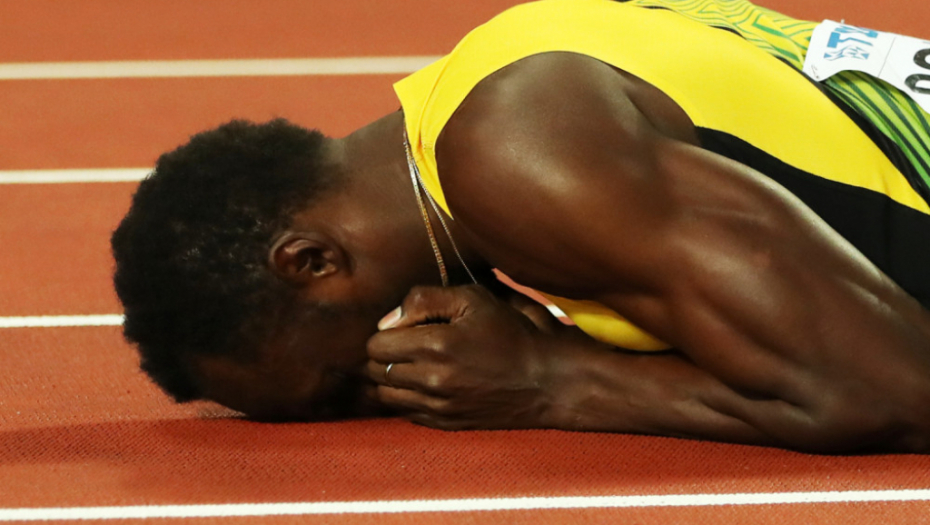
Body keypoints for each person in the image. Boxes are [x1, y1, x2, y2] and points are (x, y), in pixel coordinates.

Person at [111, 0, 930, 453]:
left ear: (311, 260)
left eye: (346, 381)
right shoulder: (498, 61)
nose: (391, 390)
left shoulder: (512, 159)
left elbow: (894, 393)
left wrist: (552, 378)